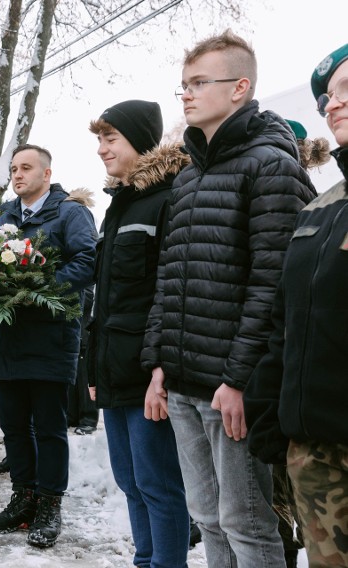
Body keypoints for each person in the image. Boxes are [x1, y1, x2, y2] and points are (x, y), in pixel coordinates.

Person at [140, 31, 317, 567]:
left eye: (199, 83)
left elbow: (272, 285)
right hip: (185, 381)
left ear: (239, 88)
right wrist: (157, 365)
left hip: (229, 388)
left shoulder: (271, 166)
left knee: (248, 523)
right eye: (183, 86)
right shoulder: (190, 177)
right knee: (209, 516)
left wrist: (240, 380)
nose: (188, 95)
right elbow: (169, 278)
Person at [245, 43, 348, 567]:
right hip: (316, 457)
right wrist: (270, 409)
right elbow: (286, 323)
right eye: (328, 97)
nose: (332, 104)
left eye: (347, 89)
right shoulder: (322, 210)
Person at [0, 144, 97, 548]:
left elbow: (87, 261)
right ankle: (22, 498)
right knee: (12, 427)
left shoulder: (69, 213)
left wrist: (39, 287)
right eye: (13, 169)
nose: (18, 175)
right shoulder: (5, 218)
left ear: (46, 172)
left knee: (48, 428)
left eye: (26, 167)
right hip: (7, 339)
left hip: (50, 337)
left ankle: (49, 506)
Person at [86, 100, 190, 567]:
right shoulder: (118, 207)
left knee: (159, 485)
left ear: (140, 141)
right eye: (100, 140)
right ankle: (145, 560)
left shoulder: (169, 197)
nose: (103, 150)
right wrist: (93, 366)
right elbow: (105, 302)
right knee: (131, 483)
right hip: (115, 371)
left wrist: (160, 370)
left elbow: (172, 294)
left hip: (149, 374)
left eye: (111, 139)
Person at [69, 286, 97, 435]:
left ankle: (88, 419)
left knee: (84, 378)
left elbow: (87, 298)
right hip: (73, 334)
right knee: (72, 379)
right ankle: (71, 415)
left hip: (84, 332)